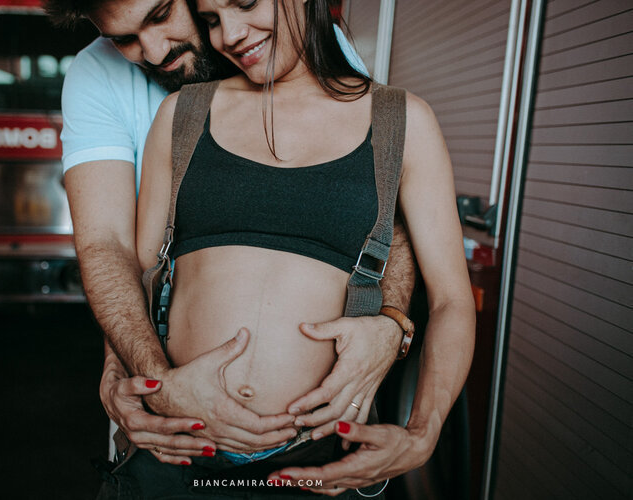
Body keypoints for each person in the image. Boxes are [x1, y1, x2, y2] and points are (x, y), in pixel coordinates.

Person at [43, 0, 426, 495]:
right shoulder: (98, 75)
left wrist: (391, 323)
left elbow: (380, 201)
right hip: (172, 429)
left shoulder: (295, 37)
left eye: (160, 15)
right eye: (124, 39)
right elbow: (110, 246)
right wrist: (144, 376)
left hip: (312, 445)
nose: (153, 52)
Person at [127, 0, 475, 496]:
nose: (229, 34)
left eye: (245, 3)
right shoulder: (182, 114)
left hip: (317, 461)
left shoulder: (403, 122)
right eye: (211, 19)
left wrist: (423, 432)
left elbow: (451, 301)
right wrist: (129, 380)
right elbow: (138, 274)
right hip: (180, 447)